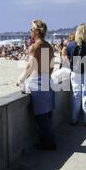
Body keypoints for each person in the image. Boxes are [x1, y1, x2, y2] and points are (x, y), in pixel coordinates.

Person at [17, 20, 56, 151]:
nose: (30, 31)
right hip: (47, 81)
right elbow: (51, 67)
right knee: (47, 116)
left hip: (37, 83)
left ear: (37, 31)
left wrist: (21, 79)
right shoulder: (49, 46)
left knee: (41, 117)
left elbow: (29, 66)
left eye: (31, 29)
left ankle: (50, 143)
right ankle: (47, 142)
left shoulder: (34, 47)